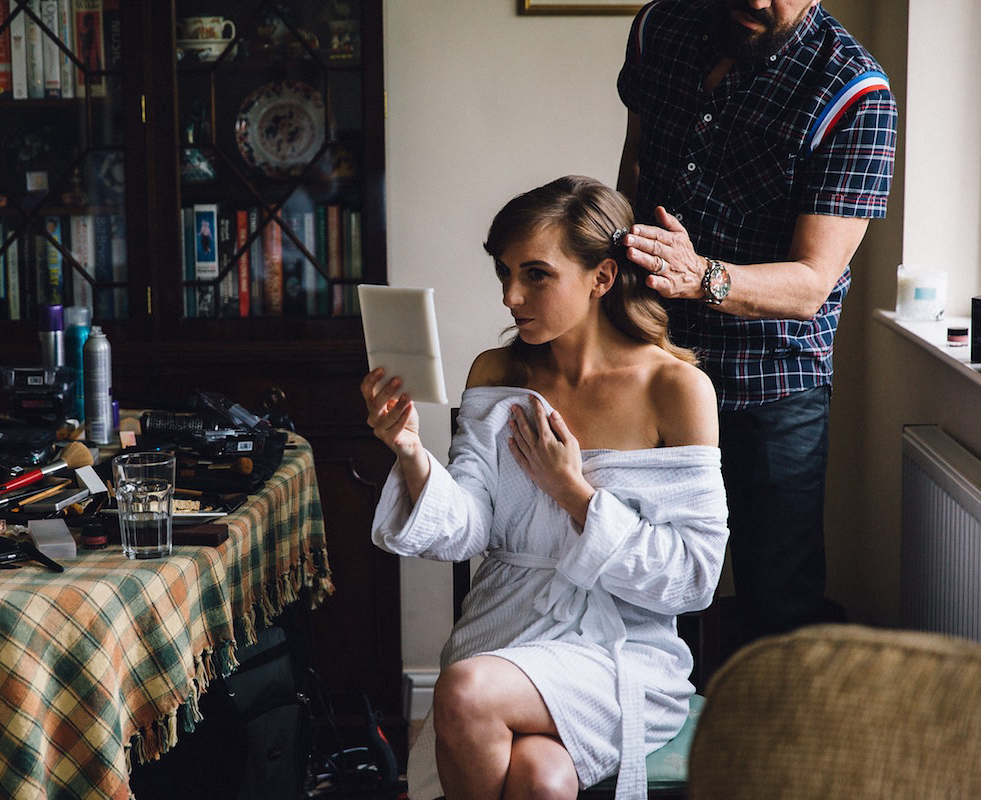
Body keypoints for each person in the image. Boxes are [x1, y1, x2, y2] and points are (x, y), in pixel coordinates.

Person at [361, 176, 729, 800]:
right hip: (506, 630)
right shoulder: (498, 373)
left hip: (619, 654)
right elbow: (469, 526)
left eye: (536, 274)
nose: (511, 295)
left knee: (464, 691)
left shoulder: (674, 389)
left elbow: (695, 578)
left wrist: (574, 495)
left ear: (603, 277)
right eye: (504, 273)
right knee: (541, 775)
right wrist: (409, 451)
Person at [615, 0, 897, 644]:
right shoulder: (659, 27)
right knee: (642, 586)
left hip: (772, 381)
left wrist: (698, 276)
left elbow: (810, 284)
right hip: (650, 357)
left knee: (778, 603)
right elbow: (635, 168)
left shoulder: (856, 93)